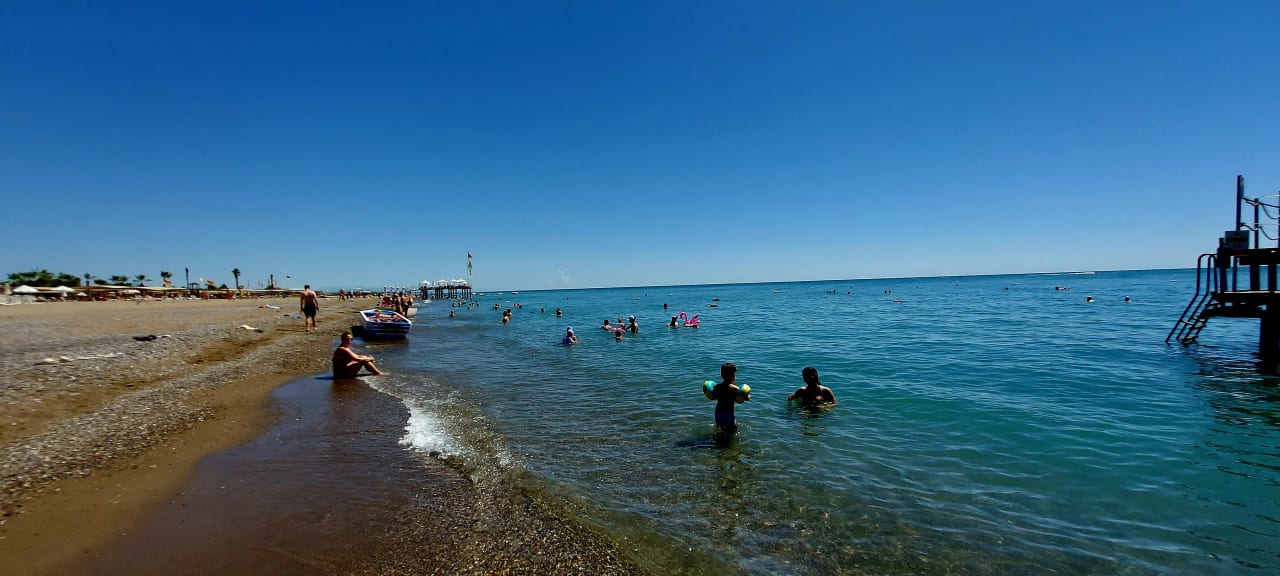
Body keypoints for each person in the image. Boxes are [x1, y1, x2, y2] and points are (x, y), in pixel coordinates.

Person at [703, 362, 749, 433]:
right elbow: (746, 398)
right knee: (732, 431)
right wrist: (747, 395)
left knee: (720, 428)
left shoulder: (717, 387)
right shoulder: (735, 389)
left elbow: (713, 396)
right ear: (733, 376)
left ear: (722, 375)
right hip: (728, 414)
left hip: (718, 413)